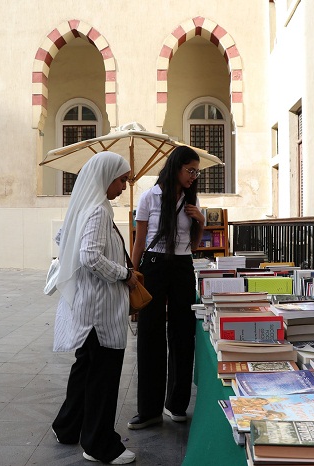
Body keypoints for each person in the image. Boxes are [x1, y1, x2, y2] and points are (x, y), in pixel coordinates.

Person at [51, 151, 138, 464]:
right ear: (106, 177)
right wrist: (124, 273)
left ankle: (67, 427)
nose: (124, 187)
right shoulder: (99, 210)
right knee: (102, 377)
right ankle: (98, 444)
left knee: (85, 369)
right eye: (122, 180)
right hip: (100, 312)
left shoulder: (85, 206)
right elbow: (89, 256)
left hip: (87, 308)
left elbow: (64, 239)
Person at [127, 145, 205, 430]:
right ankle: (149, 410)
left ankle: (177, 404)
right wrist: (133, 273)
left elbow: (194, 247)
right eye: (190, 170)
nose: (194, 176)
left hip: (183, 266)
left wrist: (201, 222)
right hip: (154, 266)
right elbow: (139, 240)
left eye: (196, 171)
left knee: (183, 333)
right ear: (177, 167)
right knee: (150, 334)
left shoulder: (191, 199)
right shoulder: (150, 197)